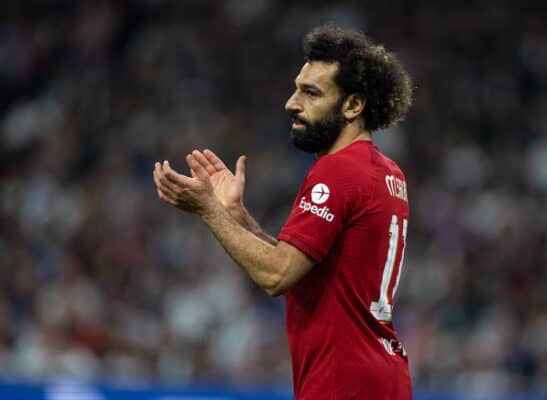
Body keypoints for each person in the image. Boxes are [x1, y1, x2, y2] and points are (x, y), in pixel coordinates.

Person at [153, 25, 413, 400]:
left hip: (343, 384)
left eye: (311, 93)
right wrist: (236, 216)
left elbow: (276, 275)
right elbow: (306, 269)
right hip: (381, 377)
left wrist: (208, 210)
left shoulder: (339, 169)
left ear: (353, 105)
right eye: (296, 88)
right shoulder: (386, 172)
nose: (292, 103)